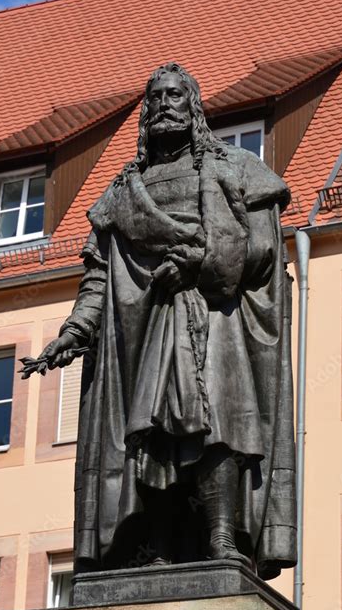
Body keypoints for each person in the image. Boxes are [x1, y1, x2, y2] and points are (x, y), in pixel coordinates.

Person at [40, 62, 296, 580]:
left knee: (219, 427)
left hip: (216, 318)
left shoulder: (236, 169)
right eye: (154, 98)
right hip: (146, 329)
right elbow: (99, 277)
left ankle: (222, 535)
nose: (163, 105)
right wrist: (76, 330)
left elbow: (264, 248)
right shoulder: (122, 193)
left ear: (194, 106)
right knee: (151, 433)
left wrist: (199, 265)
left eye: (175, 96)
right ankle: (154, 544)